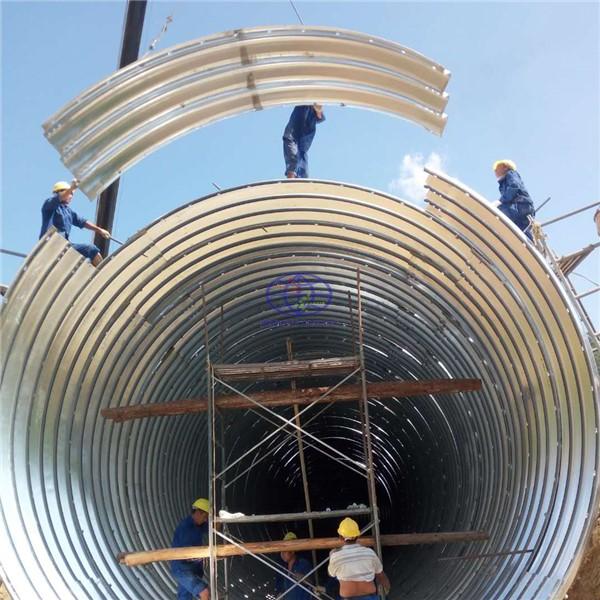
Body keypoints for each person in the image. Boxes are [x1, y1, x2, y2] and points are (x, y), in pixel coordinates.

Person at [40, 179, 110, 266]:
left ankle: (100, 273)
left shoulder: (68, 211)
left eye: (72, 194)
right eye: (70, 194)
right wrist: (72, 188)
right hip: (50, 245)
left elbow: (82, 222)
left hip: (63, 247)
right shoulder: (49, 205)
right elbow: (59, 198)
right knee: (88, 249)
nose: (71, 196)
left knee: (91, 250)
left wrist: (99, 230)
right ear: (59, 192)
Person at [328, 518, 391, 600]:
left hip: (348, 598)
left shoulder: (336, 556)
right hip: (371, 597)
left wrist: (331, 556)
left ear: (340, 537)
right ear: (358, 536)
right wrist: (387, 587)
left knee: (337, 576)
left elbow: (331, 574)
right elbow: (380, 575)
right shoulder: (369, 553)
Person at [171, 498, 212, 600]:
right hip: (182, 569)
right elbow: (187, 554)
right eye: (205, 516)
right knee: (204, 592)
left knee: (184, 597)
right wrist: (203, 555)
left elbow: (214, 528)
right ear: (198, 512)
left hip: (193, 569)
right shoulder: (185, 528)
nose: (205, 519)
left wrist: (219, 517)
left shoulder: (198, 524)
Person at [493, 160, 535, 241]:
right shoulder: (502, 184)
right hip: (519, 209)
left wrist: (500, 201)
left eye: (497, 168)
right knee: (522, 233)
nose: (495, 171)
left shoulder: (511, 174)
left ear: (505, 167)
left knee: (499, 212)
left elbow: (514, 186)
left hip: (521, 205)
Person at [283, 104, 325, 178]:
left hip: (304, 128)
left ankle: (296, 176)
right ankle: (298, 175)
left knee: (294, 144)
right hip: (302, 126)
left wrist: (318, 110)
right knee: (298, 149)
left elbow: (320, 116)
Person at [274, 532, 313, 600]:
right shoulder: (284, 569)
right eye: (281, 551)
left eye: (284, 551)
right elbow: (285, 590)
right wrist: (281, 595)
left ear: (292, 551)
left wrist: (304, 579)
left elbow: (312, 583)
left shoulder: (303, 563)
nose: (282, 554)